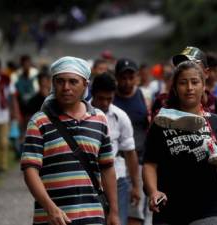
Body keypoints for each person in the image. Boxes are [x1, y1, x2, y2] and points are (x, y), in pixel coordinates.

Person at [143, 61, 217, 225]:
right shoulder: (161, 122)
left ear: (204, 85)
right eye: (183, 83)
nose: (189, 87)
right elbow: (149, 163)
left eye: (195, 82)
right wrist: (153, 192)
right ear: (175, 88)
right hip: (168, 210)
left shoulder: (216, 123)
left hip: (208, 209)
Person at [20, 56, 120, 225]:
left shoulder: (99, 119)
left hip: (93, 218)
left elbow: (107, 167)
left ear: (85, 86)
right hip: (52, 219)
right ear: (53, 83)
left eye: (73, 82)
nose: (66, 87)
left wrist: (114, 212)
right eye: (60, 81)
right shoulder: (39, 122)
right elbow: (30, 170)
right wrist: (50, 208)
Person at [91, 73, 141, 225]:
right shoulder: (81, 114)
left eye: (109, 98)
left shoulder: (121, 117)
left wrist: (136, 186)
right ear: (93, 94)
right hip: (89, 182)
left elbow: (130, 153)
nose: (105, 103)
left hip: (117, 179)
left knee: (117, 221)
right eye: (101, 98)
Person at [113, 58, 151, 225]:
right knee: (118, 207)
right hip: (117, 160)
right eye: (123, 78)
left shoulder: (142, 94)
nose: (128, 82)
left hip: (140, 159)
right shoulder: (110, 98)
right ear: (117, 78)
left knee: (137, 208)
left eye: (131, 77)